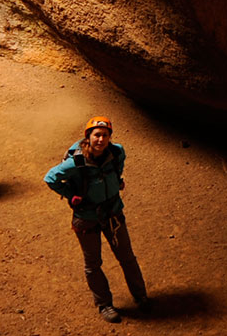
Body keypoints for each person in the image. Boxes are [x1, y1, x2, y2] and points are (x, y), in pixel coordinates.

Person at [44, 116, 150, 323]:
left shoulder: (116, 152)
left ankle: (141, 296)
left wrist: (116, 181)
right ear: (88, 137)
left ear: (110, 137)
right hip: (87, 218)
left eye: (105, 135)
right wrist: (71, 195)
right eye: (97, 135)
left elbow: (120, 165)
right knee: (93, 263)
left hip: (113, 214)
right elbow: (50, 177)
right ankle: (104, 305)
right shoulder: (76, 162)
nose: (101, 139)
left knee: (127, 256)